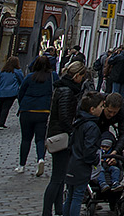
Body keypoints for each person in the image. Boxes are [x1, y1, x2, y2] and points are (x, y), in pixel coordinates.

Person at [42, 61, 86, 216]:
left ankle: (59, 209)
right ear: (76, 76)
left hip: (59, 134)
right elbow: (65, 118)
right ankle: (47, 211)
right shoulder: (67, 91)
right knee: (57, 178)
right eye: (82, 76)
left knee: (60, 177)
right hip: (61, 137)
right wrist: (72, 132)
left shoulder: (63, 88)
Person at [62, 92, 104, 216]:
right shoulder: (91, 126)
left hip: (72, 162)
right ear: (92, 109)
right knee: (77, 196)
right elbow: (89, 149)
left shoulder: (79, 121)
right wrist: (95, 160)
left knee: (70, 195)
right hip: (81, 165)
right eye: (101, 106)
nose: (102, 109)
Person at [15, 55, 54, 175]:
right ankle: (40, 159)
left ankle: (22, 165)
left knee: (26, 139)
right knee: (40, 138)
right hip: (43, 111)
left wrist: (23, 105)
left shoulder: (30, 77)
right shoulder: (51, 78)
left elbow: (21, 92)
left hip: (27, 110)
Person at [0, 56, 23, 129]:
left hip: (0, 92)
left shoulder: (2, 72)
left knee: (0, 107)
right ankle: (1, 123)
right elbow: (22, 81)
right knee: (5, 108)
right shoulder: (17, 72)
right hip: (11, 93)